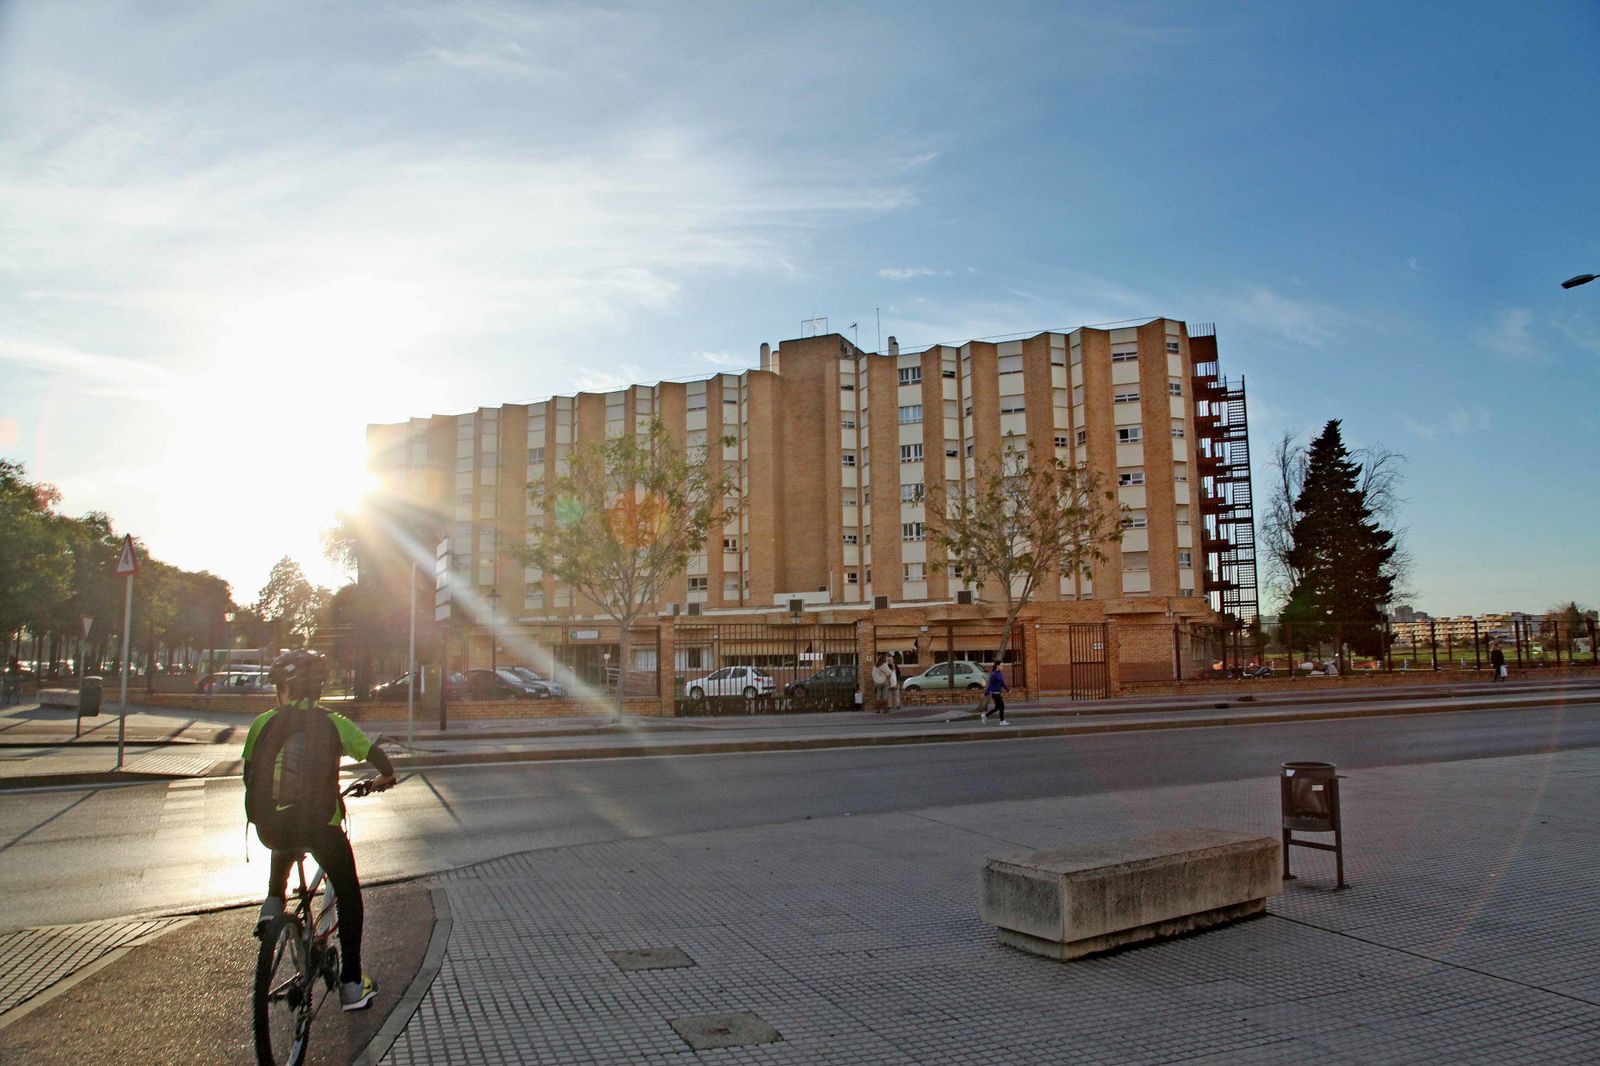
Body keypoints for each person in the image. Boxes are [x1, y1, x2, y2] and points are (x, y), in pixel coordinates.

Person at [243, 649, 396, 1012]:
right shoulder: (334, 723)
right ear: (318, 689)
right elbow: (381, 761)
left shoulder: (261, 724)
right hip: (321, 829)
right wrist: (383, 779)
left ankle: (272, 903)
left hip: (268, 828)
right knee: (348, 894)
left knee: (285, 831)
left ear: (283, 689)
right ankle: (352, 985)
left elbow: (250, 776)